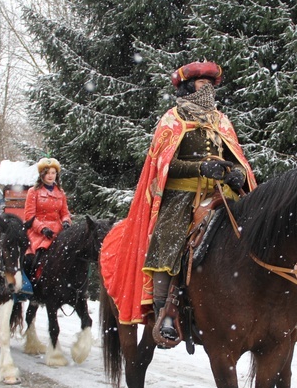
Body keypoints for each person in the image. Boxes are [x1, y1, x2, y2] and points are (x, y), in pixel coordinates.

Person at [99, 61, 256, 344]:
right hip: (182, 195)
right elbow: (162, 164)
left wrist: (238, 173)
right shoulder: (173, 118)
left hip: (222, 193)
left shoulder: (221, 120)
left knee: (259, 226)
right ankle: (164, 312)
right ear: (188, 85)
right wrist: (199, 168)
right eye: (200, 81)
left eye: (210, 81)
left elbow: (238, 159)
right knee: (169, 236)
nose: (207, 85)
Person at [23, 157, 72, 280]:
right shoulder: (33, 192)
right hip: (38, 231)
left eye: (53, 173)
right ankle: (31, 281)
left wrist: (66, 222)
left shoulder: (60, 192)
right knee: (31, 258)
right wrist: (42, 228)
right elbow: (29, 216)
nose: (50, 176)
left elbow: (65, 213)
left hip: (58, 229)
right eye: (47, 173)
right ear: (41, 175)